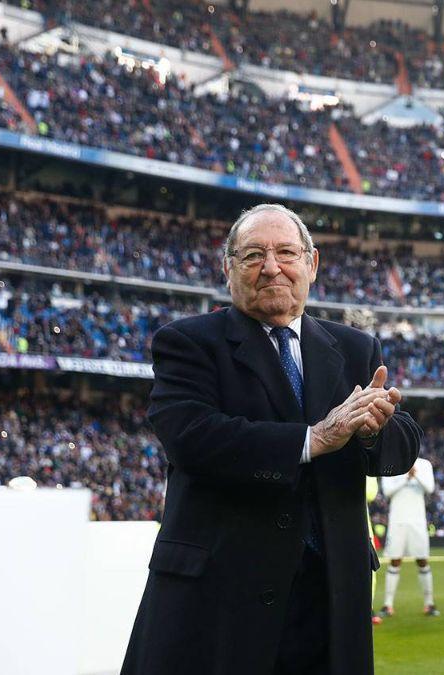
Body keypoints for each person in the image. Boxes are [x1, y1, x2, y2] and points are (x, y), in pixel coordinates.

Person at [122, 203, 423, 675]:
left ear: (312, 264)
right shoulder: (187, 342)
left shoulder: (355, 348)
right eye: (253, 255)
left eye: (286, 252)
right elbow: (192, 437)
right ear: (228, 269)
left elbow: (401, 444)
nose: (271, 267)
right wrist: (314, 438)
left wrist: (373, 430)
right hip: (222, 598)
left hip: (329, 600)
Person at [379, 455, 440, 618]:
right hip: (397, 520)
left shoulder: (424, 464)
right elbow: (387, 491)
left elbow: (430, 488)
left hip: (417, 521)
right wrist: (406, 477)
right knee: (394, 560)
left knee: (422, 560)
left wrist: (416, 475)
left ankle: (429, 603)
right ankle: (388, 604)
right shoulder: (390, 462)